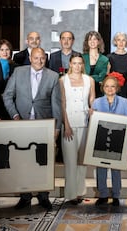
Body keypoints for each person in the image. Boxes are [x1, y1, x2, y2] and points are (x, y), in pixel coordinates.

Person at [3, 47, 62, 210]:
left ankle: (43, 196)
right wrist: (15, 115)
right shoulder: (19, 72)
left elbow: (57, 105)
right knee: (23, 162)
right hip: (22, 123)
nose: (39, 61)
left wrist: (56, 128)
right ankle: (25, 197)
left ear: (46, 59)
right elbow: (7, 95)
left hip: (44, 125)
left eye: (42, 58)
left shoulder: (53, 76)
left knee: (43, 161)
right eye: (36, 58)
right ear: (30, 58)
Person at [60, 53, 95, 205]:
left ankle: (80, 192)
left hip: (85, 123)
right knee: (70, 160)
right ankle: (70, 194)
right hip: (69, 124)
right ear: (70, 64)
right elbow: (62, 103)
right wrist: (66, 125)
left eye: (80, 63)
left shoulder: (89, 80)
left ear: (83, 65)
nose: (77, 66)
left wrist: (93, 113)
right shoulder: (63, 80)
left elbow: (92, 100)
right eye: (74, 63)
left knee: (82, 161)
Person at [91, 73, 127, 207]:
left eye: (112, 86)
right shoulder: (96, 102)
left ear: (117, 87)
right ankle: (102, 194)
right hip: (101, 140)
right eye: (107, 86)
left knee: (116, 169)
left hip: (117, 140)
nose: (109, 89)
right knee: (101, 167)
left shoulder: (124, 102)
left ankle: (116, 195)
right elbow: (91, 122)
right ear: (103, 88)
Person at [49, 31, 80, 163]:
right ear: (60, 40)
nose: (66, 41)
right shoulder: (53, 56)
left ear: (73, 41)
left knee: (71, 122)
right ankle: (60, 154)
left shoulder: (77, 55)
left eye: (69, 39)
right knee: (59, 122)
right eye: (63, 39)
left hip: (74, 93)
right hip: (58, 92)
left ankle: (72, 154)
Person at [107, 32, 127, 99]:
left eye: (123, 40)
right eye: (118, 40)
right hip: (113, 88)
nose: (121, 42)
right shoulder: (109, 57)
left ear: (126, 42)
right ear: (115, 41)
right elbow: (107, 73)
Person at [82, 31, 109, 98]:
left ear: (99, 42)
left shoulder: (104, 59)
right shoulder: (82, 58)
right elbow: (80, 75)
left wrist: (87, 77)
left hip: (99, 91)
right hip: (83, 90)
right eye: (90, 39)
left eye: (94, 39)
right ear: (87, 42)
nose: (92, 41)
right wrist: (95, 76)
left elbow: (101, 77)